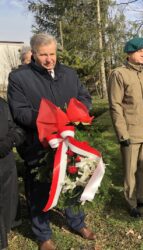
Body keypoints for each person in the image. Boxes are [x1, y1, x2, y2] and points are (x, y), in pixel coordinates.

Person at [7, 33, 95, 250]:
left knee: (72, 182)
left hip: (69, 143)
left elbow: (85, 98)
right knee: (39, 188)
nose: (49, 59)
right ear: (34, 54)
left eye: (53, 54)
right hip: (38, 144)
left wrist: (76, 112)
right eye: (44, 55)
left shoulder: (69, 74)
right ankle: (43, 234)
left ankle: (77, 221)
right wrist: (52, 119)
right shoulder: (19, 78)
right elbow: (19, 112)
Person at [108, 37, 143, 218]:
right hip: (130, 131)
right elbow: (115, 105)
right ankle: (131, 202)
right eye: (140, 52)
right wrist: (122, 133)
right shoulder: (119, 74)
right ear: (129, 54)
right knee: (130, 169)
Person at [0, 98, 24, 250]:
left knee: (7, 198)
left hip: (5, 161)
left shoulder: (2, 104)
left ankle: (7, 225)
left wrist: (10, 141)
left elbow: (17, 129)